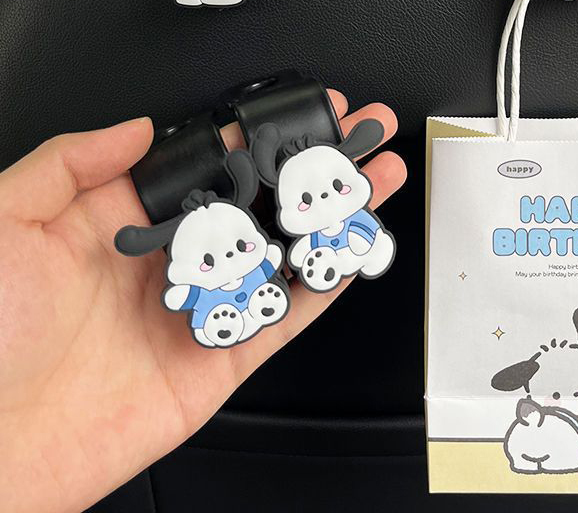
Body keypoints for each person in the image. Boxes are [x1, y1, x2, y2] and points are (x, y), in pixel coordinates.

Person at [0, 90, 406, 513]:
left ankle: (286, 286)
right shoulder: (223, 265)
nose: (227, 259)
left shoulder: (266, 248)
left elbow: (268, 256)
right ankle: (238, 312)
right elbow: (201, 285)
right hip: (221, 312)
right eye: (209, 261)